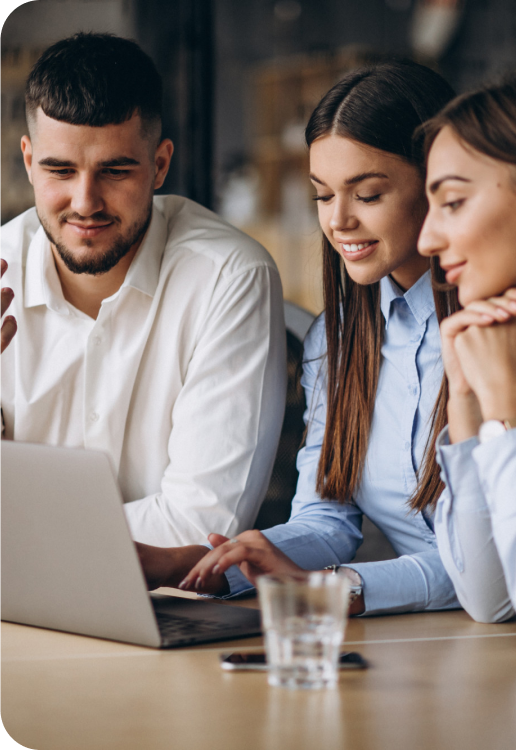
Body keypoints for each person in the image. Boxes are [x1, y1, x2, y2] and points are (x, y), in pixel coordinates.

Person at [138, 60, 463, 617]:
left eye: (367, 194)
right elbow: (326, 520)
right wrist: (207, 567)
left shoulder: (511, 337)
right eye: (322, 195)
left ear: (439, 186)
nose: (337, 221)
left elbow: (494, 568)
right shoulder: (335, 342)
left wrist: (341, 589)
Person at [0, 33, 287, 547]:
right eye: (59, 170)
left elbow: (202, 525)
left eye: (114, 171)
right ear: (28, 160)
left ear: (159, 165)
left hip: (171, 607)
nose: (85, 203)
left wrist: (25, 540)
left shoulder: (229, 277)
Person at [418, 67, 516, 653]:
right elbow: (491, 597)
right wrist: (470, 405)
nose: (426, 239)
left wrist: (513, 412)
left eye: (452, 202)